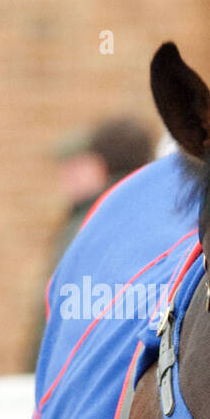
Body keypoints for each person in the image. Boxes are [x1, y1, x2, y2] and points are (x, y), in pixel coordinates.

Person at [28, 116, 156, 368]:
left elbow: (56, 305)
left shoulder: (90, 221)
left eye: (77, 166)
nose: (67, 178)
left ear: (100, 165)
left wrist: (36, 368)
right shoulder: (161, 210)